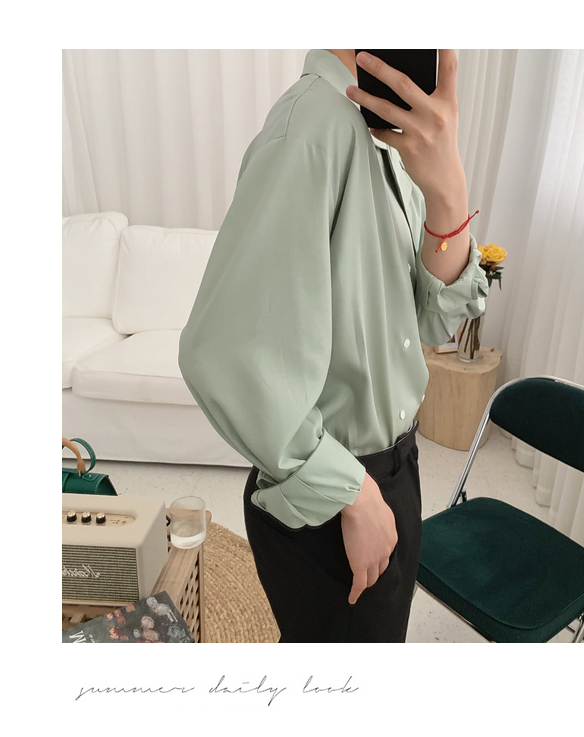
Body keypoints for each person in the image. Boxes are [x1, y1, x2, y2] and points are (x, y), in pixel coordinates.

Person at [178, 49, 488, 642]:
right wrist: (353, 493)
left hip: (393, 467)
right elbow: (222, 352)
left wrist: (448, 194)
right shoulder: (312, 130)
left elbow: (430, 322)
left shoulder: (386, 133)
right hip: (340, 495)